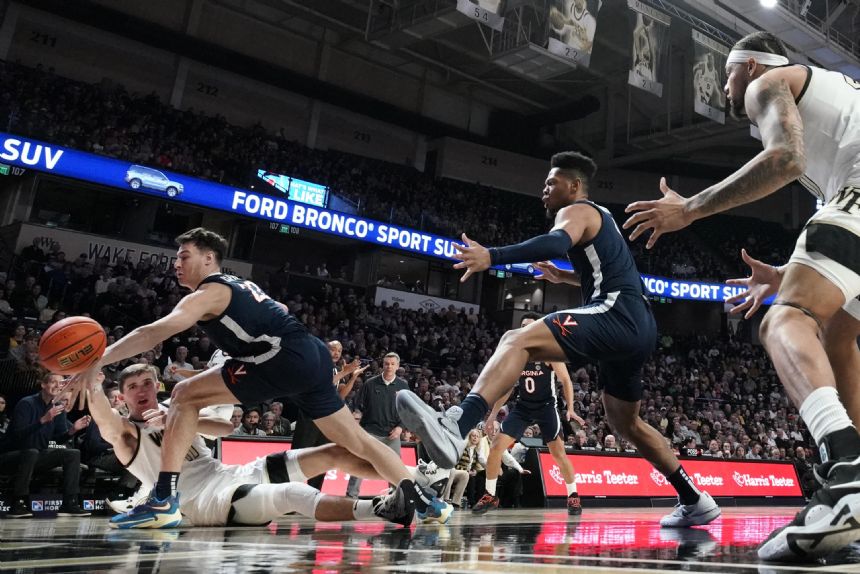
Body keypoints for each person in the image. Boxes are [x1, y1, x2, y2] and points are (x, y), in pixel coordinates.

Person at [622, 31, 860, 561]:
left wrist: (690, 209)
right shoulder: (836, 95)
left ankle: (846, 470)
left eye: (727, 74)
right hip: (853, 206)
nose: (725, 87)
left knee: (785, 320)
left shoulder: (767, 83)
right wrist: (785, 273)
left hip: (857, 193)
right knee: (841, 338)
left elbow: (785, 160)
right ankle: (858, 498)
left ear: (747, 65)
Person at [396, 151, 720, 528]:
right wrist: (564, 278)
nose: (544, 190)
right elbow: (609, 274)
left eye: (551, 183)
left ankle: (456, 424)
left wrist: (492, 255)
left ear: (574, 186)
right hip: (638, 323)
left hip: (616, 312)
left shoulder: (577, 211)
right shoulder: (604, 219)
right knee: (626, 423)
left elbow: (554, 243)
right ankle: (694, 498)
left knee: (517, 339)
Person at [68, 227, 451, 528]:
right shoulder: (242, 285)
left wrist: (97, 361)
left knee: (184, 393)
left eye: (184, 256)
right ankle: (427, 499)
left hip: (282, 359)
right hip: (311, 355)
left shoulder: (207, 293)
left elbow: (153, 332)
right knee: (358, 442)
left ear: (208, 258)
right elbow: (279, 308)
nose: (176, 263)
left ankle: (164, 500)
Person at [82, 363, 414, 527]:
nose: (141, 390)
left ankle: (414, 488)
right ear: (122, 397)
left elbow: (224, 426)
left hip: (230, 472)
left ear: (157, 386)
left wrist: (177, 419)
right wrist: (92, 383)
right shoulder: (127, 434)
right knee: (294, 495)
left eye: (146, 383)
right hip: (204, 500)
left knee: (334, 453)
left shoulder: (176, 411)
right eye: (132, 387)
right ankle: (382, 509)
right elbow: (103, 419)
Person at [472, 313, 585, 516]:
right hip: (523, 406)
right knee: (496, 447)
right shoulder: (516, 354)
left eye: (530, 326)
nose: (525, 329)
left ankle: (573, 495)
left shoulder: (549, 352)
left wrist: (570, 408)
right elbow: (507, 388)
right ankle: (490, 495)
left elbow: (566, 380)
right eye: (522, 325)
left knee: (558, 454)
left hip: (546, 406)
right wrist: (492, 415)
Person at [0, 371, 92, 517]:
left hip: (38, 455)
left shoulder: (58, 408)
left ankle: (70, 502)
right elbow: (17, 436)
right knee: (31, 452)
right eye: (53, 382)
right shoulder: (26, 403)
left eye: (61, 384)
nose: (57, 386)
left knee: (72, 454)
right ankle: (18, 503)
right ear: (43, 384)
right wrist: (42, 421)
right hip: (11, 456)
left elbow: (56, 441)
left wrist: (72, 430)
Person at [346, 352, 409, 498]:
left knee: (395, 469)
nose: (389, 366)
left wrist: (400, 427)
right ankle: (351, 496)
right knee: (360, 464)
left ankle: (396, 498)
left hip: (392, 434)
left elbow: (408, 410)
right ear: (383, 365)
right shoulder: (370, 383)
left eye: (393, 364)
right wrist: (356, 419)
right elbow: (358, 407)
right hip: (370, 432)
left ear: (397, 366)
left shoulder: (403, 385)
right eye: (387, 363)